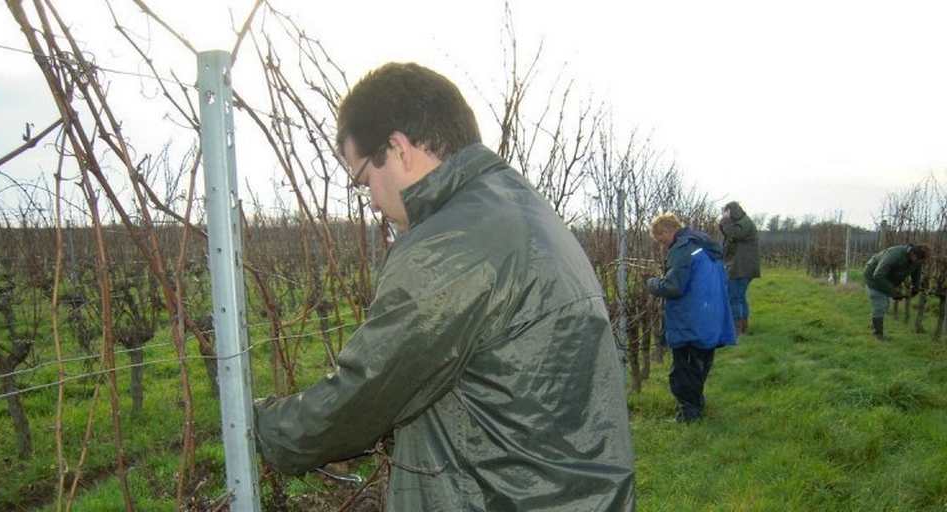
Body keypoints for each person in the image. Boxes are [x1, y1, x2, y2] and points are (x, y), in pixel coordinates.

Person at [253, 63, 634, 510]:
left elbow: (365, 395)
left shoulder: (450, 245)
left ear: (397, 148)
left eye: (363, 180)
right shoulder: (519, 206)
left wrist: (260, 427)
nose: (372, 199)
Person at [647, 213, 736, 423]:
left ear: (668, 231)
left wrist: (652, 283)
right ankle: (696, 407)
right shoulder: (703, 243)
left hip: (691, 317)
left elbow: (674, 286)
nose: (662, 245)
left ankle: (689, 416)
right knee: (700, 364)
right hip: (710, 314)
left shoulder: (682, 248)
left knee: (683, 371)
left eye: (661, 240)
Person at [863, 244, 929, 341]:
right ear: (912, 253)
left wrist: (916, 287)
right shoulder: (894, 255)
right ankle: (878, 335)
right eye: (918, 260)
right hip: (873, 277)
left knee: (885, 305)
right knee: (880, 304)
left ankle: (874, 326)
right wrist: (893, 292)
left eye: (921, 261)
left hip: (887, 279)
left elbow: (916, 272)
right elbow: (878, 275)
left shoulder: (917, 260)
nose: (919, 262)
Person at [718, 201, 760, 334]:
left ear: (731, 211)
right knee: (739, 297)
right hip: (742, 266)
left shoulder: (744, 223)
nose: (725, 215)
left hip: (742, 267)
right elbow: (729, 236)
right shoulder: (742, 222)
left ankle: (737, 329)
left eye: (726, 212)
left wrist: (725, 220)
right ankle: (743, 327)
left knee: (734, 297)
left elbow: (735, 234)